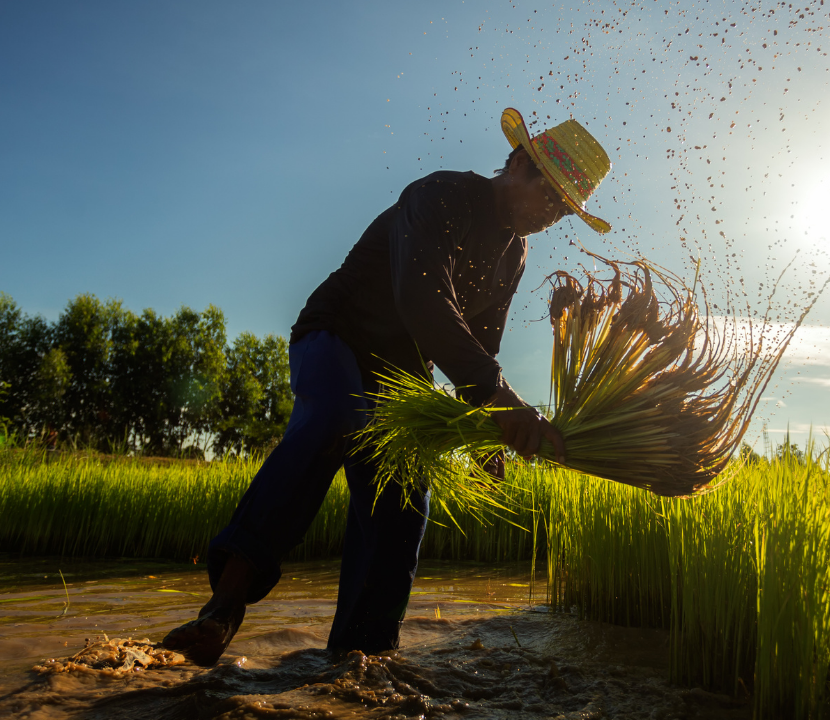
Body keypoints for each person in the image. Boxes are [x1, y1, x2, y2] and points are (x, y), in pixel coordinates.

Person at [162, 108, 612, 666]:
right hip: (337, 337)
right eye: (551, 198)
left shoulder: (514, 255)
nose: (553, 217)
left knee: (404, 500)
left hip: (401, 378)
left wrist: (483, 433)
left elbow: (482, 344)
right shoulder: (441, 195)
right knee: (332, 420)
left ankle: (359, 660)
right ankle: (222, 610)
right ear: (519, 164)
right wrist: (501, 399)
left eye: (565, 211)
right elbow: (422, 300)